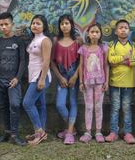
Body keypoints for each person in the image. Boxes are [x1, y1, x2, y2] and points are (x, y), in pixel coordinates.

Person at [0, 12, 26, 146]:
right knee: (2, 106)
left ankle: (15, 134)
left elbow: (23, 61)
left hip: (13, 81)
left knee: (15, 105)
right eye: (1, 25)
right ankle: (6, 132)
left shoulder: (18, 41)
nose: (3, 27)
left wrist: (17, 78)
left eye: (6, 24)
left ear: (12, 24)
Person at [105, 19, 135, 144]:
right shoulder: (111, 45)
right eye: (120, 28)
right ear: (116, 31)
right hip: (115, 82)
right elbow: (111, 60)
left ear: (129, 31)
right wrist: (124, 58)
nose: (123, 30)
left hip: (129, 83)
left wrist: (123, 61)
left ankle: (128, 133)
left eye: (125, 27)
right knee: (115, 108)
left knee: (126, 108)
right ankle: (113, 132)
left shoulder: (134, 45)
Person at [50, 14, 81, 145]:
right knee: (60, 104)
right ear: (59, 26)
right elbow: (52, 62)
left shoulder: (78, 41)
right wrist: (60, 77)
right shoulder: (55, 40)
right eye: (62, 24)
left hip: (74, 77)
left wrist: (75, 76)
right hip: (61, 77)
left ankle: (69, 133)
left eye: (67, 23)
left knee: (73, 102)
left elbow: (82, 61)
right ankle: (72, 128)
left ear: (72, 25)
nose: (64, 26)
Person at [22, 15, 52, 145]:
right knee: (40, 104)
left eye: (38, 23)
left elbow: (46, 61)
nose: (34, 25)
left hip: (40, 77)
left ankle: (40, 132)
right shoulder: (34, 39)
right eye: (33, 23)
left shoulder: (45, 40)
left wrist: (42, 79)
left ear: (44, 26)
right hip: (33, 76)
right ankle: (41, 131)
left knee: (27, 103)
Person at [78, 23, 109, 143]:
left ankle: (98, 132)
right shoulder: (84, 49)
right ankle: (88, 132)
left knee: (98, 106)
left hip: (100, 82)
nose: (94, 34)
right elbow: (81, 66)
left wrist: (106, 81)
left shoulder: (103, 48)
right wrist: (81, 81)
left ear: (100, 34)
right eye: (92, 32)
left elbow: (106, 65)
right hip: (87, 82)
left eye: (97, 32)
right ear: (88, 34)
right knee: (89, 106)